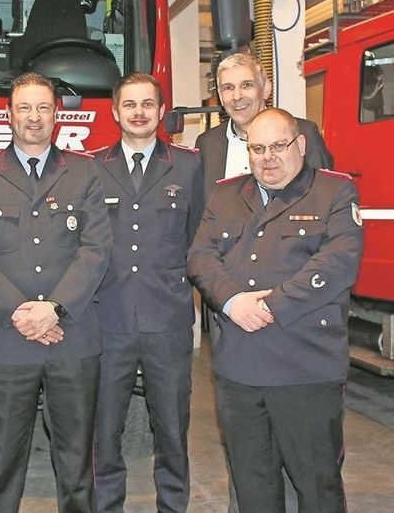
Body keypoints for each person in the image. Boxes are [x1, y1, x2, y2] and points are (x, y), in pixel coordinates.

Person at [188, 108, 363, 513]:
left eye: (278, 146)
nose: (268, 157)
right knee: (252, 485)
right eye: (257, 148)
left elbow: (336, 264)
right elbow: (200, 256)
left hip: (304, 368)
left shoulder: (334, 192)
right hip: (239, 369)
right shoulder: (227, 193)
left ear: (300, 145)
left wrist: (267, 306)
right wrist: (232, 301)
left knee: (317, 486)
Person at [0, 72, 112, 512]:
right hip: (7, 340)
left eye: (43, 108)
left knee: (77, 463)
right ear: (9, 115)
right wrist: (21, 313)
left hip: (73, 339)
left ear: (57, 115)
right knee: (1, 465)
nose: (34, 117)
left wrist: (54, 310)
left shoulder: (84, 172)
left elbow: (95, 250)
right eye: (24, 108)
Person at [91, 73, 203, 513]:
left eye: (147, 105)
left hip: (168, 322)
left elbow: (200, 241)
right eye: (129, 105)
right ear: (116, 112)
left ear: (161, 112)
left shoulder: (189, 165)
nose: (138, 112)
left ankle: (173, 506)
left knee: (173, 430)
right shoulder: (92, 167)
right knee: (105, 432)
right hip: (108, 321)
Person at [196, 52, 333, 197]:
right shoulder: (206, 144)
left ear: (266, 89)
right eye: (228, 88)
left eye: (246, 85)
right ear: (220, 96)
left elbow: (325, 196)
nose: (237, 96)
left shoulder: (303, 133)